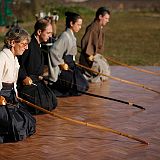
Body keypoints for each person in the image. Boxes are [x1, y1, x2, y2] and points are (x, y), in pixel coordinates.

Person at [0, 26, 36, 143]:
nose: (26, 48)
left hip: (10, 97)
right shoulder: (2, 57)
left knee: (29, 121)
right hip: (2, 97)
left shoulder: (14, 59)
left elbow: (13, 82)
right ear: (12, 42)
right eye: (24, 44)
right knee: (17, 126)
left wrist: (15, 93)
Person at [17, 18, 57, 114]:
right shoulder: (29, 45)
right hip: (27, 84)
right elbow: (18, 63)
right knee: (43, 104)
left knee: (52, 101)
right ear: (39, 32)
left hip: (36, 82)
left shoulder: (38, 45)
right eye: (48, 33)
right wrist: (24, 77)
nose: (50, 36)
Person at [48, 12, 89, 97]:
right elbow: (53, 51)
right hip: (63, 69)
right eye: (78, 25)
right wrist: (61, 63)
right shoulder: (65, 36)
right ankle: (55, 87)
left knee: (85, 86)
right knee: (80, 87)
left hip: (71, 66)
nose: (80, 27)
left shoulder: (71, 36)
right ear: (71, 23)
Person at [79, 7, 111, 83]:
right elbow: (86, 42)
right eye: (106, 18)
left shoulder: (99, 27)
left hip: (93, 57)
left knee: (105, 72)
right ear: (100, 17)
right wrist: (89, 55)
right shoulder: (93, 28)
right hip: (88, 60)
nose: (108, 21)